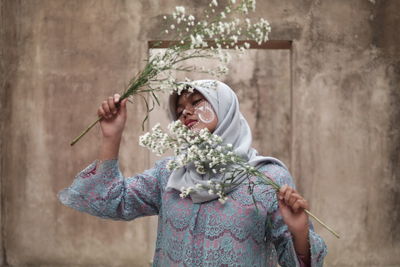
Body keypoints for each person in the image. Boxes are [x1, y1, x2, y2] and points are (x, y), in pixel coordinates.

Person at [58, 80, 327, 266]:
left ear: (226, 109)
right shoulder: (170, 174)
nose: (185, 112)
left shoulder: (264, 178)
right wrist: (111, 135)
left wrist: (299, 231)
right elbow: (110, 200)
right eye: (179, 110)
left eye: (197, 102)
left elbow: (298, 262)